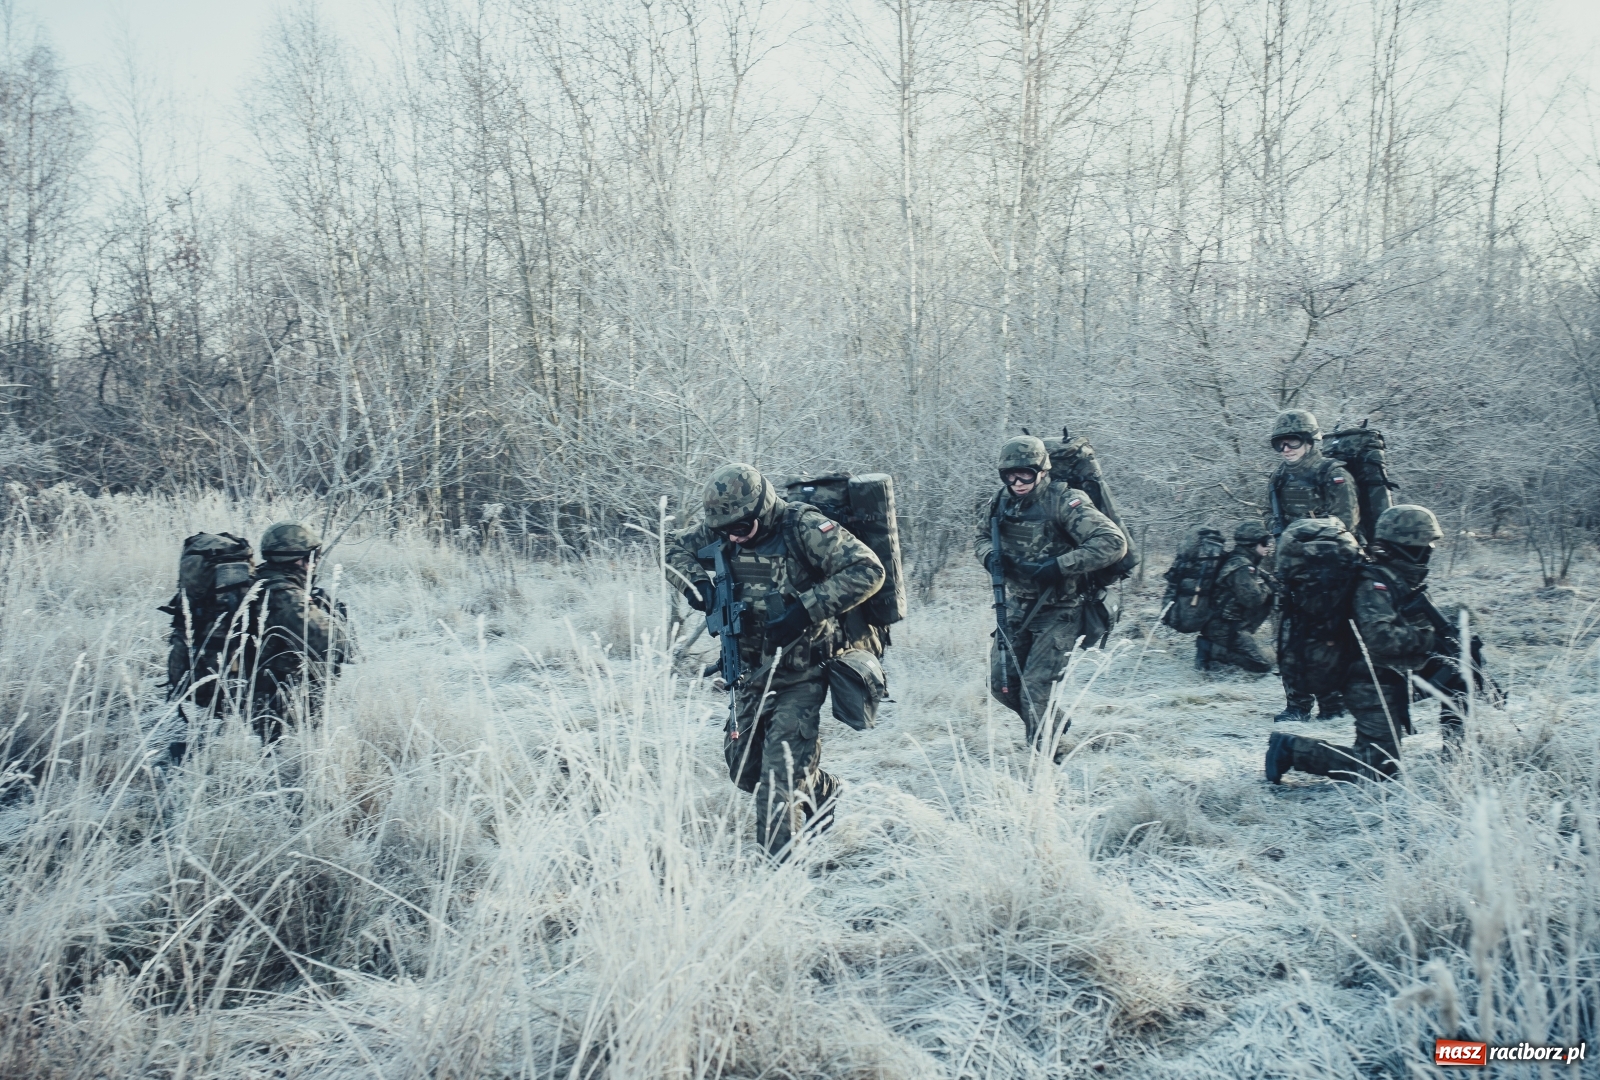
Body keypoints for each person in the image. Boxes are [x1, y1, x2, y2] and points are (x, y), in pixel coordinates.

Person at [667, 463, 884, 857]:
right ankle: (821, 789)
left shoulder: (802, 528)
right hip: (751, 672)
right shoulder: (725, 528)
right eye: (725, 531)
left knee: (778, 783)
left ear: (762, 509)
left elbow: (868, 569)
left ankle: (778, 880)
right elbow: (671, 546)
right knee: (744, 769)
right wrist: (696, 585)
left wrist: (806, 609)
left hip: (804, 672)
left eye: (742, 528)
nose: (733, 537)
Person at [1266, 505, 1467, 783]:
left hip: (1392, 672)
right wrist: (1431, 639)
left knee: (1458, 679)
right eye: (1424, 543)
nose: (1429, 550)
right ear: (1407, 544)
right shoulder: (1373, 583)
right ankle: (1290, 750)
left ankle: (1458, 758)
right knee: (1380, 770)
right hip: (1368, 681)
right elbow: (1381, 639)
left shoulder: (1393, 577)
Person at [975, 435, 1128, 757]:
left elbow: (1113, 541)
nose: (1017, 482)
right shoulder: (999, 502)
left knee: (1035, 690)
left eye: (1025, 475)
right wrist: (990, 555)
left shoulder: (1065, 501)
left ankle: (1050, 755)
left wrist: (1059, 566)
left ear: (1042, 471)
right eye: (1010, 475)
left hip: (1061, 609)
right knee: (1001, 685)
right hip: (1015, 606)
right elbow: (981, 537)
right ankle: (1052, 724)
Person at [1267, 409, 1357, 723]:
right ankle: (1297, 706)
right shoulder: (1279, 476)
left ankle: (1332, 706)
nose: (1285, 449)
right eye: (1279, 444)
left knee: (1325, 642)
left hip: (1327, 573)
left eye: (1290, 442)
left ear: (1308, 441)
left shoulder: (1331, 473)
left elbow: (1345, 525)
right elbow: (1275, 521)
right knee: (1287, 639)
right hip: (1290, 571)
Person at [246, 521, 354, 743]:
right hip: (268, 699)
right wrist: (335, 618)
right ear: (297, 559)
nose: (313, 564)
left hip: (250, 685)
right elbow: (332, 644)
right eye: (310, 557)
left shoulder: (260, 579)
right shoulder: (286, 596)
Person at [1197, 521, 1277, 674]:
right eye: (1264, 543)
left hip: (1226, 624)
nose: (1268, 547)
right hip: (1224, 627)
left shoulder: (1240, 561)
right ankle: (1210, 649)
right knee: (1263, 665)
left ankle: (1224, 645)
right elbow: (1253, 600)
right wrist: (1269, 587)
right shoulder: (1241, 567)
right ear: (1252, 544)